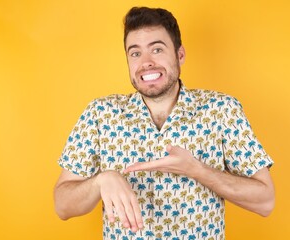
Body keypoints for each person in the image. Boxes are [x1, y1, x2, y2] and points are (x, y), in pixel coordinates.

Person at [54, 6, 275, 240]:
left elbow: (265, 201)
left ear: (180, 55)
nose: (146, 62)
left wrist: (196, 170)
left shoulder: (221, 110)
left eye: (157, 49)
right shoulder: (100, 114)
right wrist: (101, 181)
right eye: (135, 53)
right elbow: (63, 205)